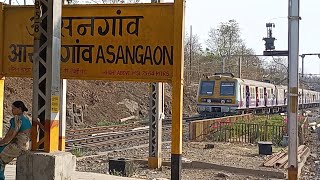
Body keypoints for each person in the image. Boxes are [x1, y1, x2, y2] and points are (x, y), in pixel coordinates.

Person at [0, 101, 32, 180]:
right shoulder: (27, 118)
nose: (12, 110)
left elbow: (10, 136)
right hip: (27, 146)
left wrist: (1, 142)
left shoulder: (16, 119)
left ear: (19, 109)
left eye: (14, 108)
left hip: (19, 146)